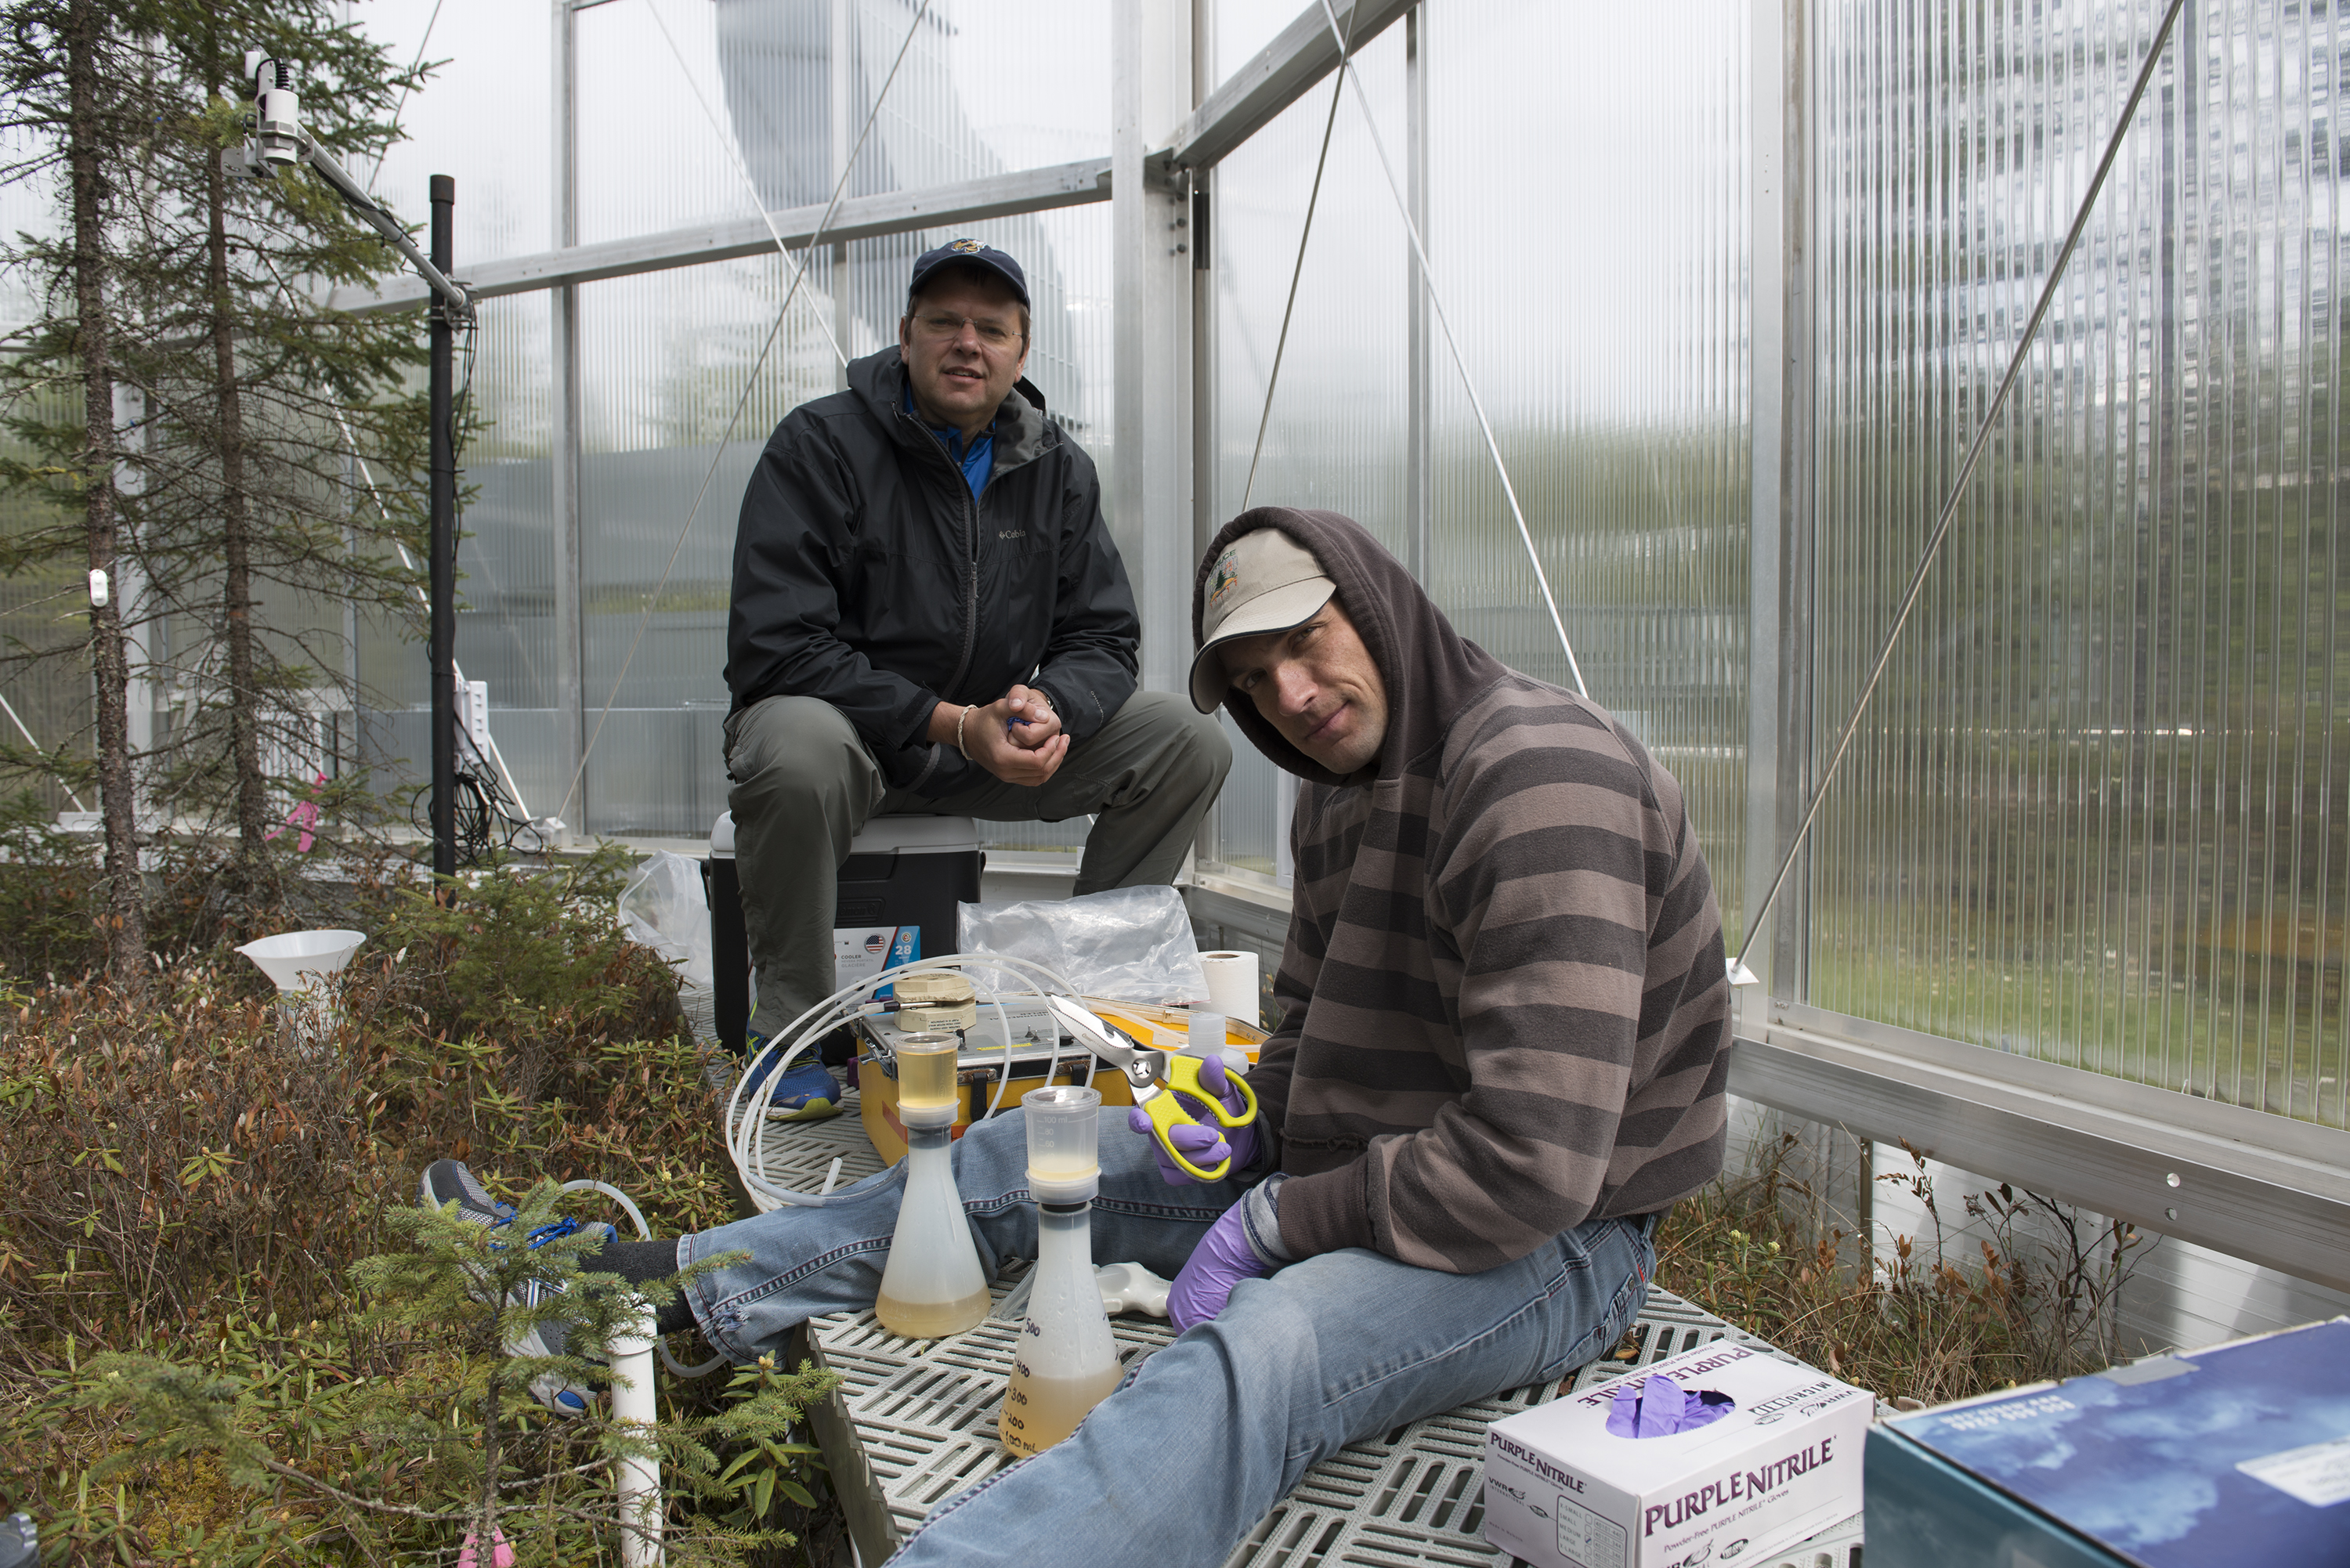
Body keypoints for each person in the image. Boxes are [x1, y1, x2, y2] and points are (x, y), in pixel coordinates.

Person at [425, 506, 1728, 1566]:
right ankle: (645, 1289)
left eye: (1307, 638)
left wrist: (1280, 1223)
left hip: (1559, 1241)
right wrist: (1240, 1115)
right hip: (1382, 1173)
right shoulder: (1339, 798)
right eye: (1256, 678)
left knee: (1268, 1348)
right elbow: (1310, 1056)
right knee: (1017, 1158)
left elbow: (1532, 1162)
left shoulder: (1538, 778)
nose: (1293, 691)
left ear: (1377, 602)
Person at [721, 237, 1230, 1104]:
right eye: (946, 322)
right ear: (906, 334)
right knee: (796, 744)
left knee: (1184, 742)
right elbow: (779, 646)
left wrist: (1050, 703)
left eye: (992, 328)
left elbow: (1103, 635)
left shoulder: (1055, 468)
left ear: (1021, 353)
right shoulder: (822, 445)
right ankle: (792, 1032)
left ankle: (1083, 1006)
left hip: (980, 748)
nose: (969, 343)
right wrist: (953, 721)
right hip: (858, 745)